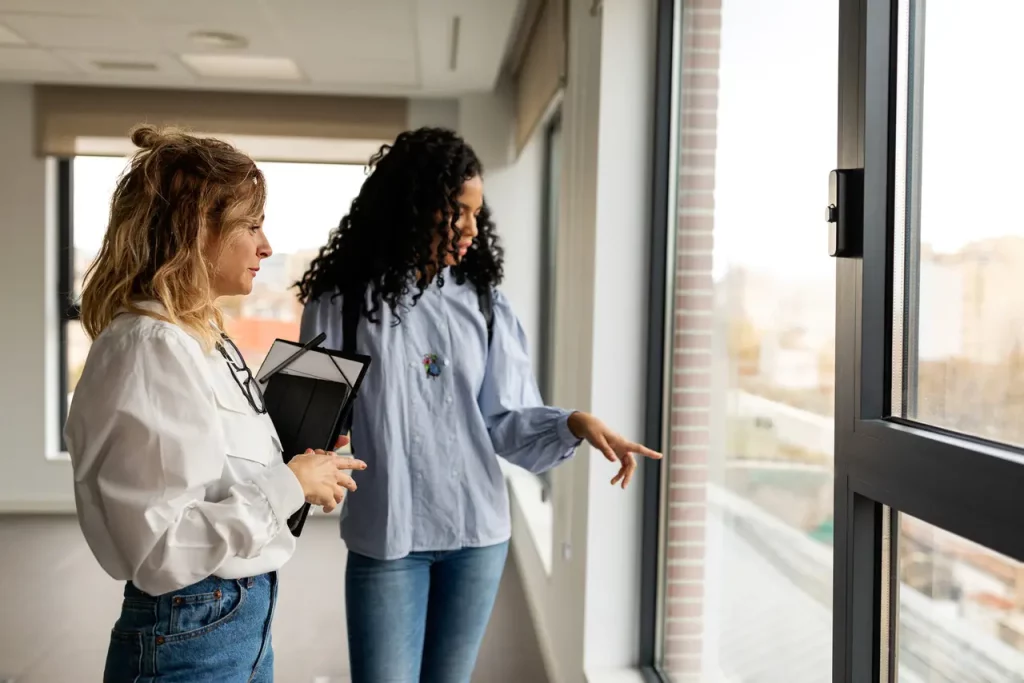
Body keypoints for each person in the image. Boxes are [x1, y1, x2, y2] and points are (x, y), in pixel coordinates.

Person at [297, 127, 662, 683]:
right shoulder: (339, 306)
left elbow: (505, 422)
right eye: (456, 212)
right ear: (413, 207)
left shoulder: (484, 304)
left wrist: (574, 423)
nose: (471, 228)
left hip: (476, 535)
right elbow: (306, 423)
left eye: (475, 214)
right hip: (387, 534)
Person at [64, 125, 366, 683]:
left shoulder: (198, 336)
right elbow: (158, 549)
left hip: (232, 618)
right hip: (193, 628)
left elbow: (214, 466)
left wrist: (299, 461)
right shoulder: (152, 347)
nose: (266, 246)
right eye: (251, 225)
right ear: (195, 228)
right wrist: (289, 486)